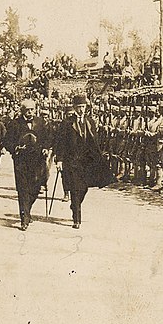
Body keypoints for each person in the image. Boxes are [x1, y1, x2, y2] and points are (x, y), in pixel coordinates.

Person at [54, 95, 114, 229]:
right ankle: (77, 218)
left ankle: (75, 205)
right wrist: (59, 160)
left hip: (87, 162)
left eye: (83, 107)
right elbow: (60, 142)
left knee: (84, 188)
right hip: (72, 161)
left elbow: (95, 142)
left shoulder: (90, 122)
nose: (81, 110)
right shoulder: (67, 123)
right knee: (75, 189)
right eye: (79, 107)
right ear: (74, 108)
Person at [4, 99, 52, 231]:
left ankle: (27, 210)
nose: (30, 112)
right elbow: (7, 141)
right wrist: (15, 148)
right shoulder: (15, 124)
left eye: (32, 109)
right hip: (21, 161)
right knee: (23, 189)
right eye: (27, 110)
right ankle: (24, 218)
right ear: (22, 111)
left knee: (36, 188)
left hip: (37, 161)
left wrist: (46, 148)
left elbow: (48, 138)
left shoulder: (41, 122)